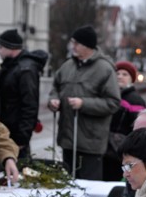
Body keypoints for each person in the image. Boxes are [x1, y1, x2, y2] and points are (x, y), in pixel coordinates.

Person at [49, 25, 120, 179]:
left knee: (88, 188)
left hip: (90, 143)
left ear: (87, 46)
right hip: (67, 139)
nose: (72, 46)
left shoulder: (105, 69)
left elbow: (113, 102)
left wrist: (84, 104)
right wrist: (53, 100)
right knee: (66, 186)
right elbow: (55, 86)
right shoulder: (68, 65)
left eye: (76, 43)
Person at [0, 29, 48, 160]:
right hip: (7, 131)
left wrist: (22, 138)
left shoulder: (25, 70)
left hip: (16, 135)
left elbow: (30, 105)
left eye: (1, 47)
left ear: (11, 48)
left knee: (18, 172)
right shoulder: (11, 66)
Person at [104, 60, 146, 181]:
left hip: (120, 152)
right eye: (117, 74)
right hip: (105, 149)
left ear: (131, 79)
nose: (120, 77)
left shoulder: (135, 100)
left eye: (125, 74)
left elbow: (139, 130)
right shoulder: (110, 96)